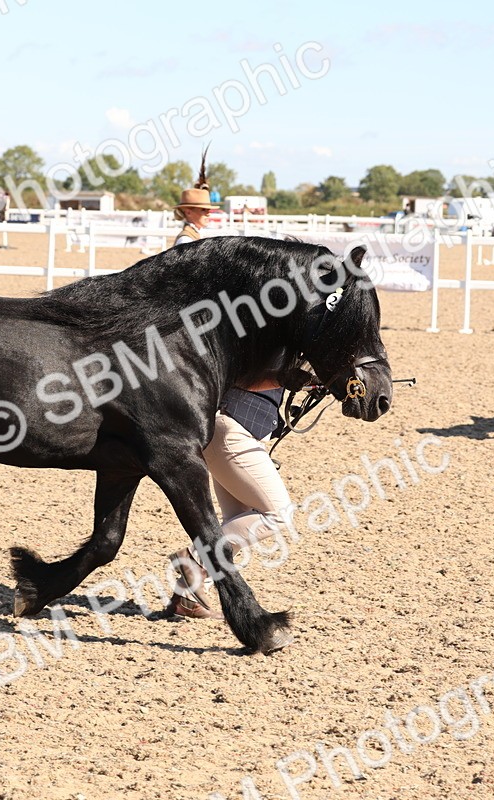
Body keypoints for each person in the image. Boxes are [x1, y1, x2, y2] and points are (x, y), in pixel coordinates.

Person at [162, 158, 292, 620]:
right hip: (229, 429)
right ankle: (192, 561)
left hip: (229, 429)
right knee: (277, 516)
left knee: (236, 522)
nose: (206, 216)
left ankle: (186, 595)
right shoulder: (188, 249)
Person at [172, 155, 218, 246]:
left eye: (208, 209)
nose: (208, 213)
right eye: (203, 210)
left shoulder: (194, 236)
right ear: (188, 212)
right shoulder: (186, 240)